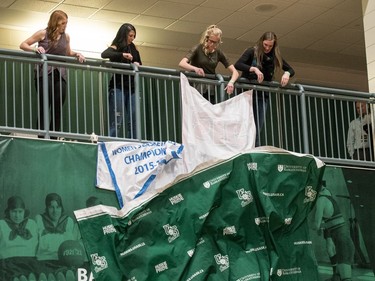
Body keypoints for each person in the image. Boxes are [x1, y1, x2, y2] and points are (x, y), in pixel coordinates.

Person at [19, 10, 85, 136]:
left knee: (58, 106)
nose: (65, 25)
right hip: (44, 72)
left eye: (66, 23)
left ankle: (54, 138)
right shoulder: (43, 33)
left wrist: (77, 54)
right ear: (55, 22)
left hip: (60, 73)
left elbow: (68, 52)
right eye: (62, 23)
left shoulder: (66, 37)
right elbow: (23, 44)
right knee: (44, 105)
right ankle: (42, 136)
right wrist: (35, 49)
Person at [234, 31, 295, 146]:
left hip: (262, 95)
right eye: (265, 45)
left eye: (270, 46)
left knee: (257, 126)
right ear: (262, 42)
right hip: (247, 93)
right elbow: (238, 64)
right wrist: (254, 69)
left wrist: (286, 73)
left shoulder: (275, 56)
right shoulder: (252, 51)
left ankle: (254, 150)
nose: (267, 48)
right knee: (244, 124)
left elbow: (291, 70)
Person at [178, 24, 239, 103]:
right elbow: (182, 63)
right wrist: (195, 68)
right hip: (196, 86)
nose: (213, 44)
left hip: (210, 89)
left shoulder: (219, 53)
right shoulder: (198, 48)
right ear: (206, 39)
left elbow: (235, 72)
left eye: (215, 42)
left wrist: (231, 82)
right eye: (211, 41)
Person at [101, 23, 142, 138]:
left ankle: (133, 142)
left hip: (132, 87)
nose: (132, 38)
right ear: (124, 35)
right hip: (118, 86)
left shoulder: (134, 48)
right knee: (116, 119)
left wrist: (136, 63)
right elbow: (104, 54)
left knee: (133, 119)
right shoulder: (116, 46)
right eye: (130, 36)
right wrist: (122, 55)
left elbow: (139, 62)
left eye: (134, 36)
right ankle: (112, 141)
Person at [311, 184, 355, 281]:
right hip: (344, 242)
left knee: (346, 279)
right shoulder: (329, 197)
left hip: (343, 244)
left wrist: (305, 224)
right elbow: (328, 224)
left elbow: (316, 225)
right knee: (337, 277)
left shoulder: (320, 201)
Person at [35, 193, 77, 272]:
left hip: (63, 262)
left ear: (61, 208)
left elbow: (72, 247)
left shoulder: (68, 221)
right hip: (43, 261)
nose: (55, 211)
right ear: (47, 208)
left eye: (58, 207)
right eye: (51, 207)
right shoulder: (39, 219)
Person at [0, 196, 38, 280]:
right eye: (14, 212)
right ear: (8, 212)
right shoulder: (1, 225)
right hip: (8, 263)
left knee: (34, 276)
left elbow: (36, 246)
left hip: (29, 263)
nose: (17, 215)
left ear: (24, 212)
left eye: (20, 212)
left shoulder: (32, 224)